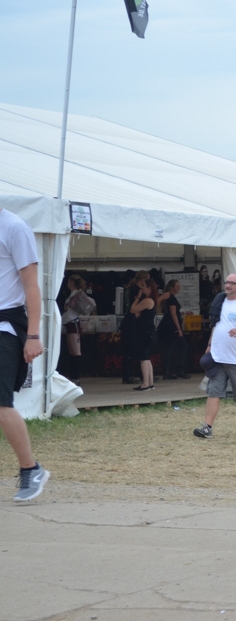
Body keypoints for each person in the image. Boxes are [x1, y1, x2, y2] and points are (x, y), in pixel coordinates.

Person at [0, 208, 50, 501]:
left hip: (5, 327)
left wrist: (33, 335)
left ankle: (31, 469)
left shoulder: (14, 227)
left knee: (1, 404)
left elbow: (31, 286)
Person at [193, 274, 236, 438]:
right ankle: (207, 428)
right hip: (218, 357)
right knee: (213, 392)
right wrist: (210, 345)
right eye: (227, 282)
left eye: (232, 283)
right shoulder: (219, 301)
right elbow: (215, 325)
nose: (228, 285)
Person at [62, 274, 96, 384]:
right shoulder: (72, 295)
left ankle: (76, 377)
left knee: (76, 351)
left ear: (71, 283)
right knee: (72, 351)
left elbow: (91, 303)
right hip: (69, 323)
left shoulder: (78, 294)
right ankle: (73, 376)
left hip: (73, 323)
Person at [120, 270, 149, 384]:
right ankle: (128, 375)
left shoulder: (132, 289)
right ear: (142, 279)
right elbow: (135, 309)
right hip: (132, 322)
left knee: (132, 349)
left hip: (131, 321)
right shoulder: (135, 290)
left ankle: (137, 374)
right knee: (129, 349)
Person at [130, 278, 159, 391]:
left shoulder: (147, 300)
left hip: (145, 332)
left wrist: (137, 298)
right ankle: (150, 383)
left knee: (143, 358)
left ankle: (145, 383)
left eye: (143, 286)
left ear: (149, 288)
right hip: (149, 331)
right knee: (147, 358)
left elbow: (133, 310)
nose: (141, 289)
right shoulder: (151, 300)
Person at [158, 279, 190, 379]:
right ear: (171, 287)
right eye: (177, 286)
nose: (179, 288)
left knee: (169, 348)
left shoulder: (171, 297)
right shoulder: (169, 296)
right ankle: (177, 369)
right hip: (170, 327)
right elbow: (173, 314)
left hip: (168, 325)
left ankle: (168, 371)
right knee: (182, 346)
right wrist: (178, 328)